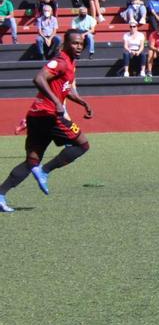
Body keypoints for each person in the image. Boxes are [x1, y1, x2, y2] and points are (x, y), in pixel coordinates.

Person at [0, 29, 93, 214]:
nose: (79, 47)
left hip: (36, 116)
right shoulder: (60, 62)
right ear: (66, 43)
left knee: (31, 161)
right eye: (75, 43)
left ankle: (1, 194)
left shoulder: (71, 63)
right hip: (49, 116)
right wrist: (58, 103)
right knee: (82, 145)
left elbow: (66, 89)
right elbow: (38, 78)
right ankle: (46, 170)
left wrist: (82, 102)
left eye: (81, 44)